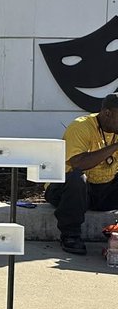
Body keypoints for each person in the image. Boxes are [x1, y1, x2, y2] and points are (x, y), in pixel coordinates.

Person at [44, 92, 118, 255]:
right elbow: (78, 163)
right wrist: (114, 147)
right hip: (66, 190)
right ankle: (70, 236)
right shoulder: (81, 126)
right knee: (77, 178)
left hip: (101, 192)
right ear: (107, 113)